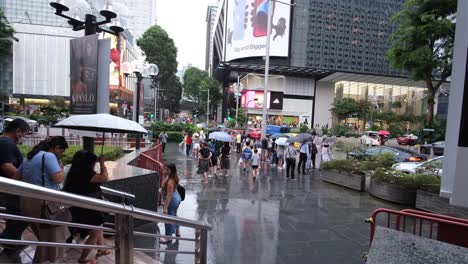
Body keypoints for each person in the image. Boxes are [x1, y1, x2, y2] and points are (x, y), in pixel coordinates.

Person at [18, 136, 68, 263]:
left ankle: (44, 260)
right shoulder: (49, 156)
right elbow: (58, 178)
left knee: (44, 238)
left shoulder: (29, 157)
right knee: (53, 239)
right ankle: (46, 261)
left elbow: (16, 176)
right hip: (46, 204)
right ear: (56, 148)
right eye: (62, 151)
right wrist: (61, 167)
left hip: (28, 202)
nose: (62, 154)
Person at [63, 150, 110, 264]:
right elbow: (105, 178)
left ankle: (101, 249)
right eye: (94, 162)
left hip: (79, 206)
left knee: (99, 226)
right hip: (88, 208)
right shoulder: (86, 173)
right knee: (95, 232)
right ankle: (83, 258)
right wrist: (102, 163)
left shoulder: (74, 170)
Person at [0, 119, 30, 257]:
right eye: (24, 134)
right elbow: (7, 166)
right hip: (10, 189)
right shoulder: (7, 143)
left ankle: (11, 246)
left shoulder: (3, 141)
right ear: (18, 132)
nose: (23, 137)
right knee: (22, 216)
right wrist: (25, 181)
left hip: (7, 188)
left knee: (15, 218)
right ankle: (7, 241)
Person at [159, 164, 182, 243]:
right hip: (177, 197)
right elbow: (163, 185)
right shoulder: (173, 177)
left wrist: (165, 208)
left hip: (172, 199)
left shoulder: (170, 182)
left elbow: (169, 195)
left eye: (166, 169)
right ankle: (177, 230)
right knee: (174, 215)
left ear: (170, 171)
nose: (164, 170)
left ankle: (168, 237)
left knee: (168, 218)